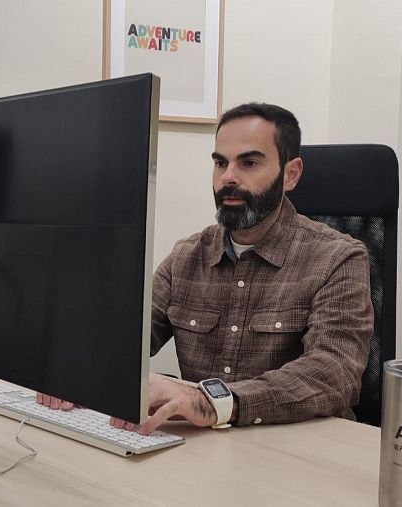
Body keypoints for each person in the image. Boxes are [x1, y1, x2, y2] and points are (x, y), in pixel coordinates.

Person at [38, 103, 373, 435]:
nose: (228, 177)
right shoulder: (187, 257)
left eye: (249, 162)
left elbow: (334, 373)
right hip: (203, 455)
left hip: (300, 457)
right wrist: (74, 369)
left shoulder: (338, 258)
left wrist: (213, 401)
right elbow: (126, 338)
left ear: (290, 174)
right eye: (220, 163)